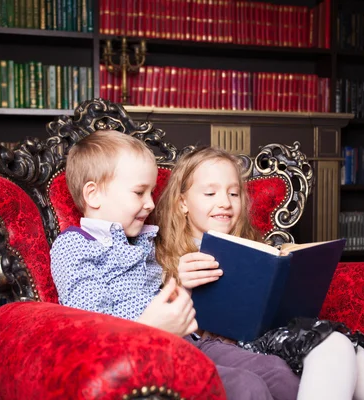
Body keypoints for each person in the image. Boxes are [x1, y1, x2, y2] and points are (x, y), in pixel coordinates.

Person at [153, 146, 364, 400]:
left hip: (271, 335)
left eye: (233, 193)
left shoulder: (252, 246)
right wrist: (180, 282)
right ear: (181, 203)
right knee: (338, 345)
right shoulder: (163, 256)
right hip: (236, 348)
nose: (225, 202)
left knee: (345, 350)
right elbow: (173, 330)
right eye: (210, 193)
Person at [49, 130, 297, 400]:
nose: (150, 203)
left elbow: (171, 296)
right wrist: (152, 327)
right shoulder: (74, 245)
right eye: (139, 192)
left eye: (151, 192)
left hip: (190, 342)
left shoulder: (144, 239)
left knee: (277, 372)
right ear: (93, 195)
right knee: (245, 385)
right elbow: (91, 327)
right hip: (141, 353)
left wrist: (183, 287)